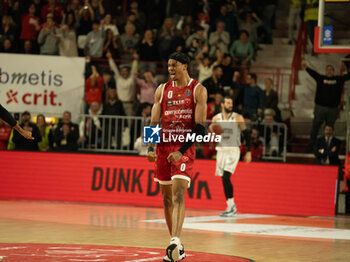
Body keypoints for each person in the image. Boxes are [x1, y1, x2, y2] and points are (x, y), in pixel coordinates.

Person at [146, 52, 207, 262]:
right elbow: (154, 122)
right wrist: (150, 148)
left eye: (175, 65)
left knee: (179, 193)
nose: (171, 69)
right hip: (163, 148)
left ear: (185, 66)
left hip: (184, 147)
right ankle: (177, 246)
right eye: (169, 65)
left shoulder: (198, 90)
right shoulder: (162, 89)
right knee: (166, 198)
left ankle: (175, 241)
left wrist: (181, 151)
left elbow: (201, 129)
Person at [210, 96, 252, 217]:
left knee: (226, 177)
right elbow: (213, 136)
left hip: (233, 150)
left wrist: (248, 151)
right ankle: (230, 206)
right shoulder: (215, 118)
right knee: (223, 179)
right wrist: (213, 135)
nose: (230, 105)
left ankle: (232, 206)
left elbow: (246, 134)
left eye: (231, 103)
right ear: (222, 104)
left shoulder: (238, 117)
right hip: (221, 151)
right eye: (228, 103)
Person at [302, 60, 350, 151]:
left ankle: (329, 146)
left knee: (330, 128)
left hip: (333, 109)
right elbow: (313, 73)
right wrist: (306, 67)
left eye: (331, 70)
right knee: (315, 126)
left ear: (333, 71)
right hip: (320, 107)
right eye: (327, 69)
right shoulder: (320, 78)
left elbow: (348, 76)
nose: (329, 71)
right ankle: (311, 145)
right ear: (325, 71)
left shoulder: (338, 79)